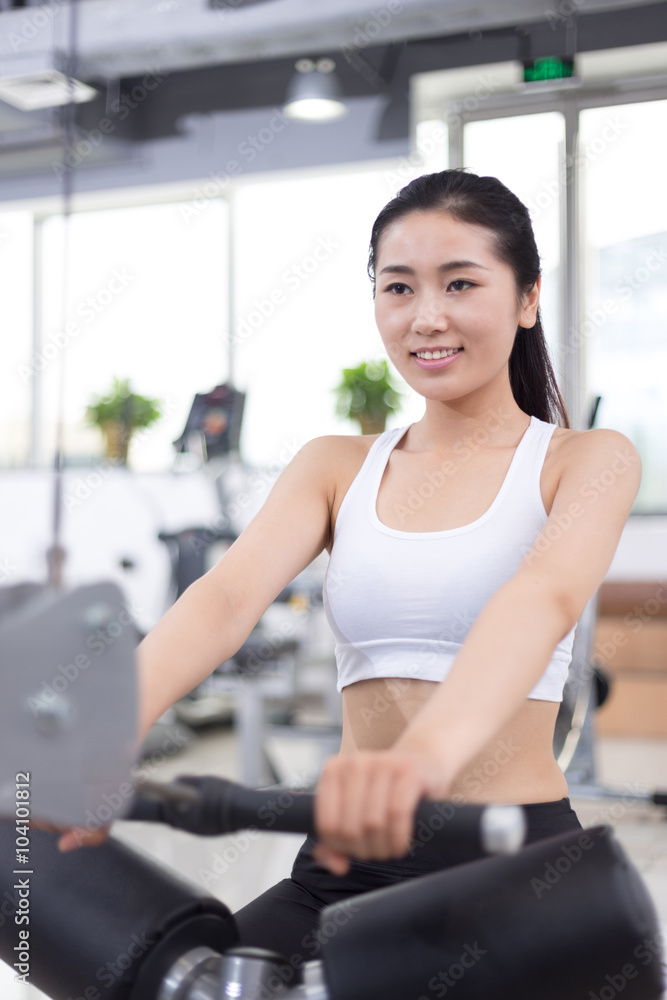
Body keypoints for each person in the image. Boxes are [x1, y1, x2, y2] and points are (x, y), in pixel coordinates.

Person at [58, 169, 640, 972]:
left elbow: (538, 600)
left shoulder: (586, 461)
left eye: (460, 282)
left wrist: (417, 764)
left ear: (526, 298)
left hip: (512, 868)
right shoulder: (335, 465)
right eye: (397, 287)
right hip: (344, 866)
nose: (425, 316)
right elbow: (226, 597)